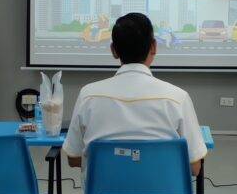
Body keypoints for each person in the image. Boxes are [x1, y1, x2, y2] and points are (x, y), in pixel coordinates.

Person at [63, 12, 207, 175]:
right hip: (161, 192)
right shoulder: (178, 98)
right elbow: (194, 167)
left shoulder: (88, 96)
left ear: (114, 50)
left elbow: (73, 158)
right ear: (154, 47)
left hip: (105, 192)